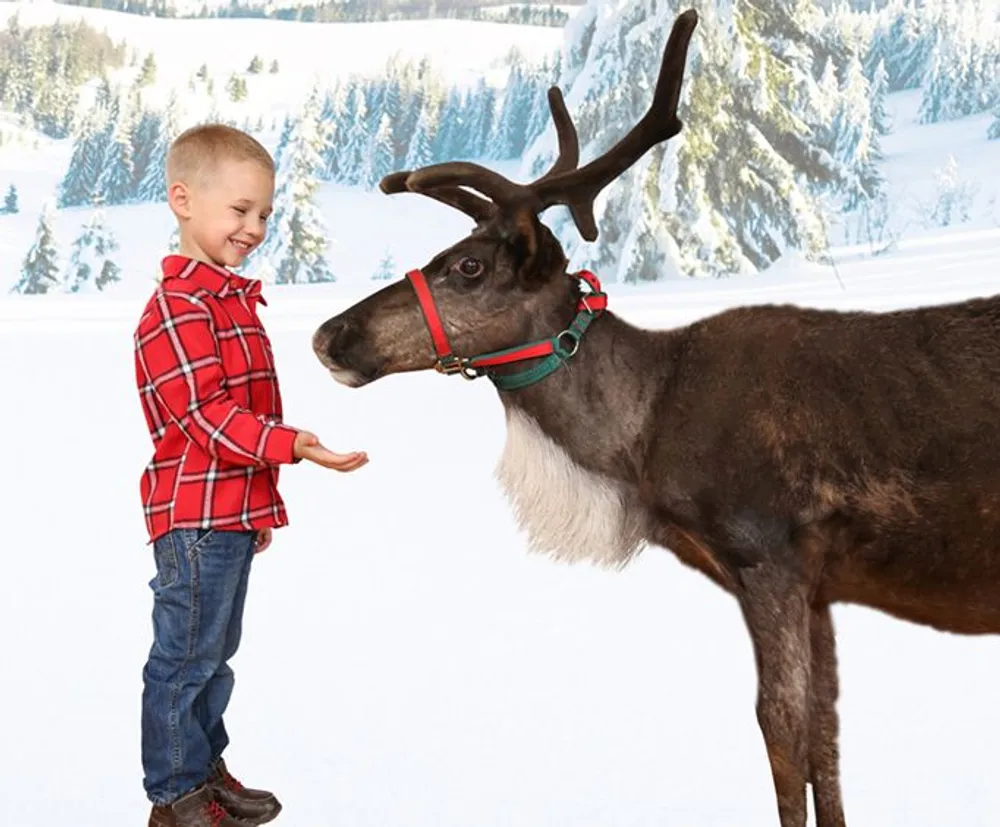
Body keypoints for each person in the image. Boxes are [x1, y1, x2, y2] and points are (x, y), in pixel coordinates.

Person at [133, 122, 368, 827]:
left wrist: (257, 506)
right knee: (182, 661)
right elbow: (208, 418)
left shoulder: (231, 303)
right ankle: (174, 796)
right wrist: (293, 446)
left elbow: (244, 408)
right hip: (194, 517)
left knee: (214, 655)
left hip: (227, 514)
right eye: (239, 211)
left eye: (265, 213)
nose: (255, 227)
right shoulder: (177, 310)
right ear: (183, 199)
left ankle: (203, 769)